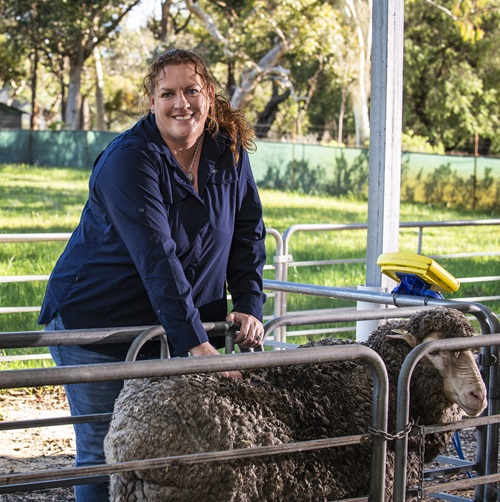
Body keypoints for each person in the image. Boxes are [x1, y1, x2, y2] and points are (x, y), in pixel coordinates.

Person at [38, 48, 267, 502]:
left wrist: (248, 303)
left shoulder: (229, 152)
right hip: (100, 326)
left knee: (175, 451)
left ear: (210, 95)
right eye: (168, 93)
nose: (181, 103)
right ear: (151, 100)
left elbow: (248, 233)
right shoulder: (130, 160)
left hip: (175, 329)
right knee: (106, 453)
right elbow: (156, 256)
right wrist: (195, 345)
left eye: (191, 91)